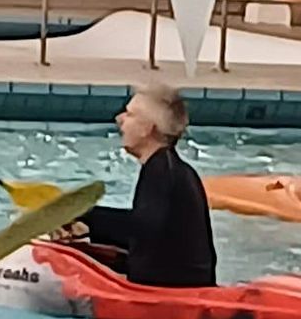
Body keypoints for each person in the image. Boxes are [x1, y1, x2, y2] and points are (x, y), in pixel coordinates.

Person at [76, 86, 217, 288]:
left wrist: (84, 216)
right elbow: (150, 234)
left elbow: (141, 230)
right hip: (184, 281)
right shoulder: (175, 168)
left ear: (147, 128)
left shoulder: (160, 170)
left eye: (129, 114)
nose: (119, 119)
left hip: (170, 290)